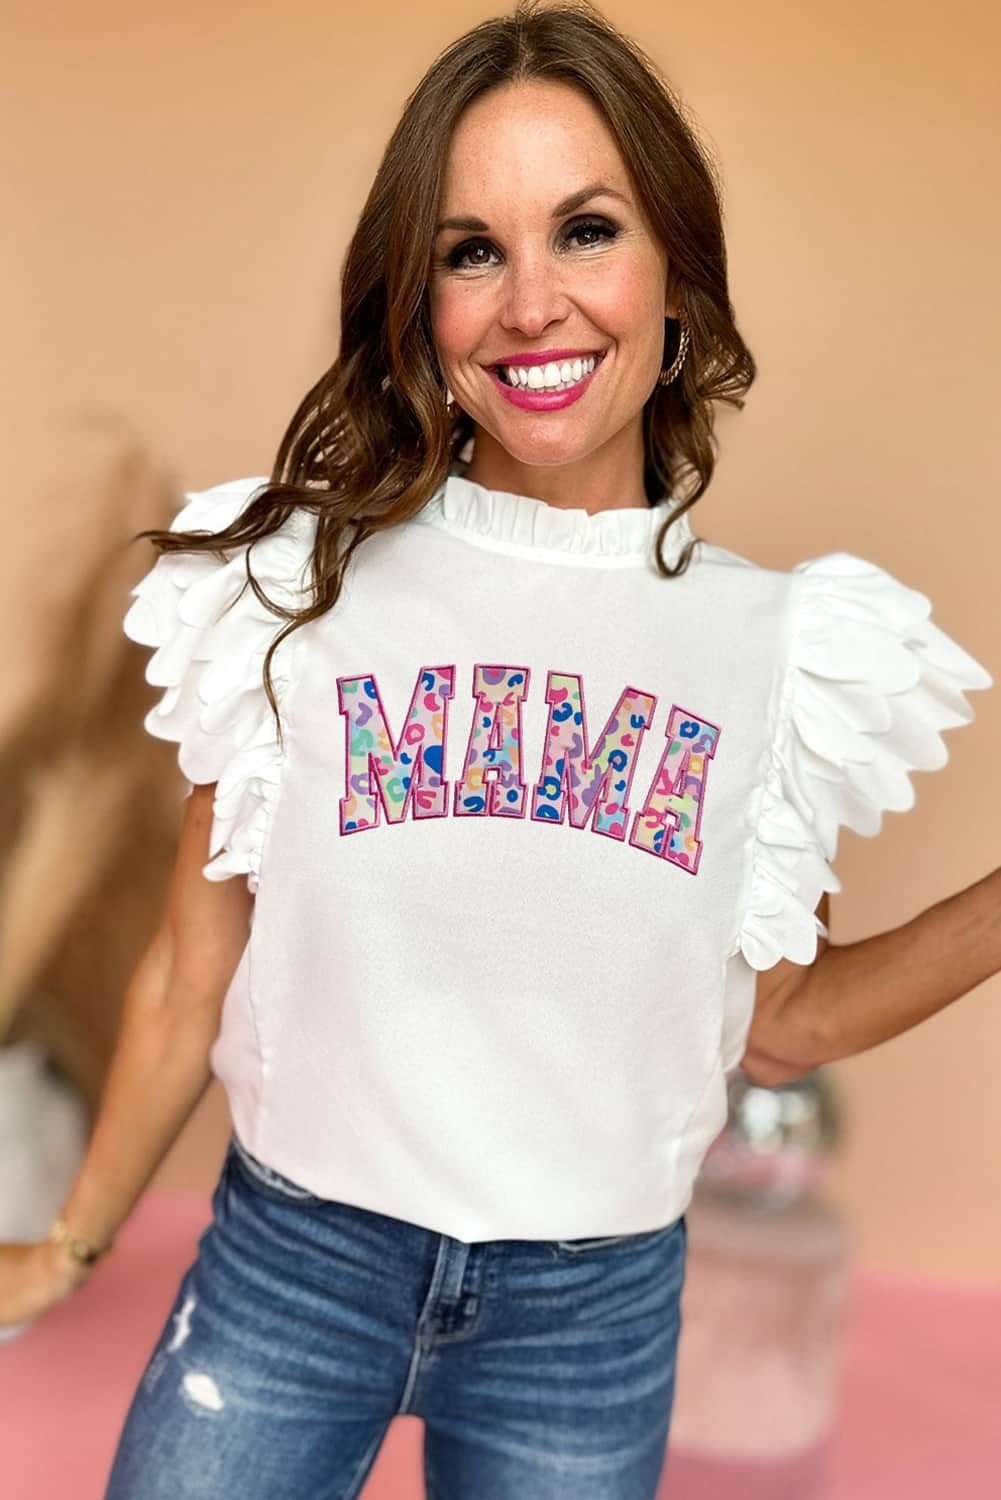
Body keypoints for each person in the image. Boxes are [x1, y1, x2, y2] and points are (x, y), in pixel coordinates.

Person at [2, 2, 997, 1496]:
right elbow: (190, 969)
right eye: (472, 251)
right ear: (420, 303)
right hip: (294, 1274)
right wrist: (70, 1245)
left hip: (585, 1324)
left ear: (676, 273)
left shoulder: (776, 649)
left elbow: (781, 1022)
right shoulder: (298, 588)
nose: (532, 303)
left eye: (585, 231)